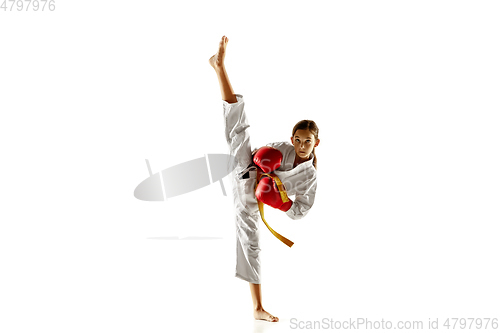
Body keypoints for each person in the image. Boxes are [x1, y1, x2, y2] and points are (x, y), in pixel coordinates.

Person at [209, 35, 320, 322]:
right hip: (246, 169)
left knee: (252, 243)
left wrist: (279, 202)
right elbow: (259, 155)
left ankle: (257, 307)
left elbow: (300, 211)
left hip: (253, 198)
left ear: (316, 143)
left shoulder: (309, 177)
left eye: (307, 141)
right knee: (239, 128)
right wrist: (263, 165)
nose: (301, 145)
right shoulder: (284, 149)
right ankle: (220, 68)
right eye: (297, 139)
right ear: (292, 139)